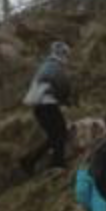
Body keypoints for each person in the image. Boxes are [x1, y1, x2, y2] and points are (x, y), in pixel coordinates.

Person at [22, 40, 76, 170]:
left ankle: (29, 161)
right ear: (62, 53)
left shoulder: (46, 65)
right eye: (66, 54)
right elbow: (62, 84)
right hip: (47, 105)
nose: (67, 57)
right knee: (60, 133)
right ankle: (57, 164)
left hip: (40, 107)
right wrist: (66, 99)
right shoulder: (54, 65)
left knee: (55, 135)